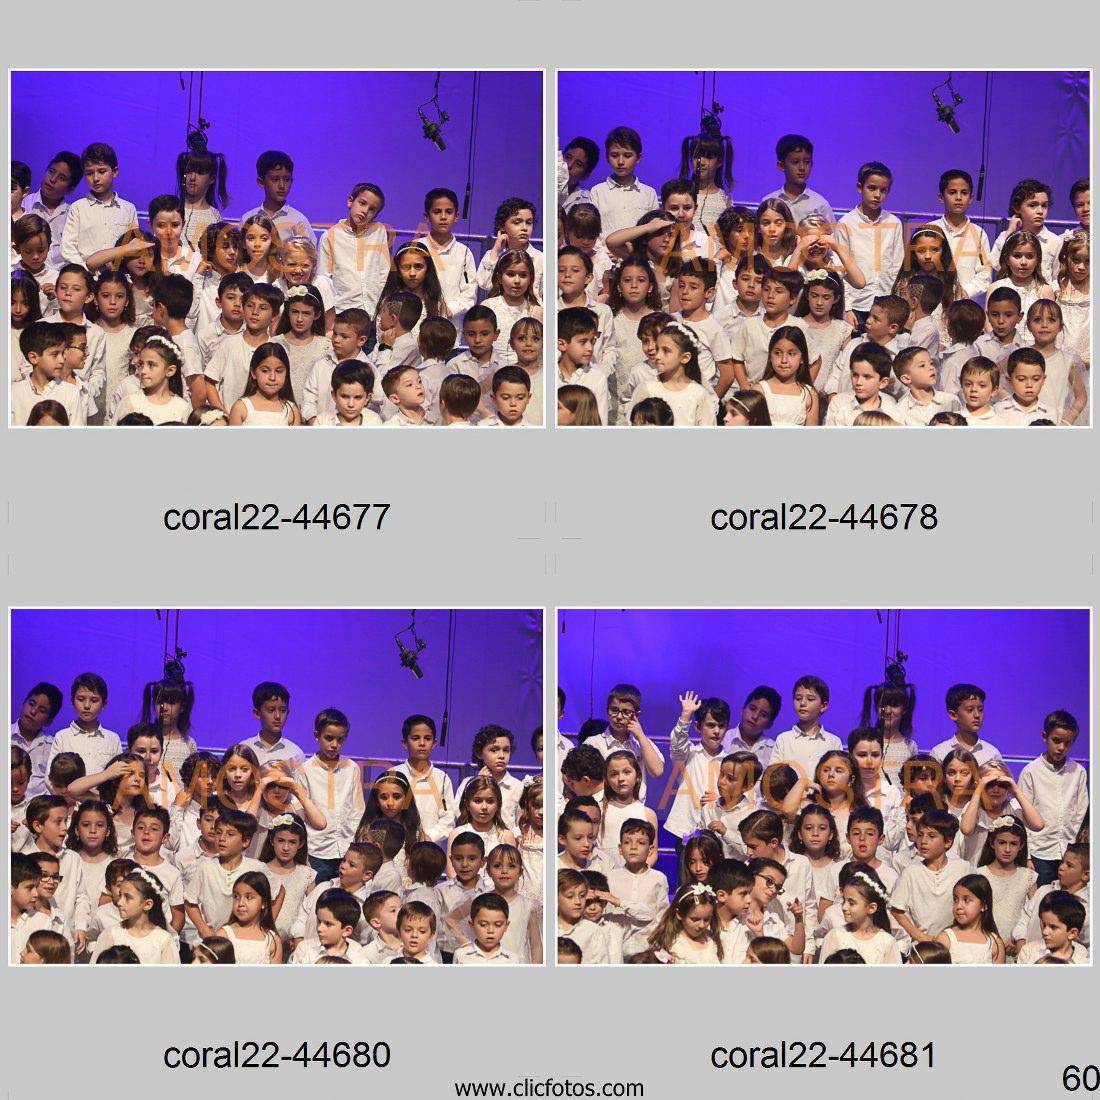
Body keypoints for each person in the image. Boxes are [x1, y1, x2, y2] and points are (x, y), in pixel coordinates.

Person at [835, 161, 904, 330]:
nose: (877, 195)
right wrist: (847, 308)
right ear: (860, 187)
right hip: (857, 304)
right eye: (872, 188)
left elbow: (897, 265)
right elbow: (842, 269)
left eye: (883, 190)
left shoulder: (894, 223)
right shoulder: (846, 224)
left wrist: (897, 301)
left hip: (886, 302)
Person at [890, 809, 971, 941]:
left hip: (956, 941)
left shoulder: (963, 869)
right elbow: (896, 910)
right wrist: (919, 936)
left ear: (948, 842)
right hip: (923, 945)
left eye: (931, 836)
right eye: (920, 835)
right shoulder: (911, 872)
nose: (923, 841)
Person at [317, 182, 391, 316]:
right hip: (343, 311)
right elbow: (324, 279)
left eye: (372, 209)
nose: (365, 211)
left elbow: (383, 272)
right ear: (350, 201)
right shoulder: (329, 237)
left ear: (375, 215)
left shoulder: (379, 231)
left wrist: (380, 305)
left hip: (373, 311)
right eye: (362, 203)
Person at [59, 143, 137, 266]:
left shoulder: (128, 209)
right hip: (85, 273)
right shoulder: (78, 208)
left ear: (115, 171)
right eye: (89, 173)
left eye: (101, 171)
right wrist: (86, 269)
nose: (95, 178)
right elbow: (68, 249)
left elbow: (132, 246)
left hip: (117, 274)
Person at [91, 868, 178, 963]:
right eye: (120, 895)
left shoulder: (163, 940)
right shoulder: (111, 935)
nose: (119, 902)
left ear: (147, 904)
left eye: (127, 897)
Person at [819, 865, 902, 964]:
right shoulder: (835, 936)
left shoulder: (886, 942)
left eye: (851, 903)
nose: (844, 907)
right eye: (844, 900)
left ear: (871, 908)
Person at [590, 127, 658, 239]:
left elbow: (652, 232)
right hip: (605, 250)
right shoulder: (597, 192)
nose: (620, 162)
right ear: (607, 157)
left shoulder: (649, 193)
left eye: (627, 156)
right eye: (614, 155)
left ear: (638, 158)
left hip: (637, 250)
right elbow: (591, 230)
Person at [240, 150, 313, 241]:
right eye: (275, 179)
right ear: (261, 182)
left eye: (287, 180)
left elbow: (309, 249)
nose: (282, 185)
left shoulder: (298, 221)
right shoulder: (247, 219)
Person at [215, 870, 282, 964]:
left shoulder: (272, 941)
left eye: (248, 897)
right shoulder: (223, 935)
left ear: (264, 903)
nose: (241, 903)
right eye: (236, 896)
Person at [936, 875, 1005, 964]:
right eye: (955, 899)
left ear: (983, 905)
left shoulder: (995, 944)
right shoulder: (945, 939)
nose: (958, 906)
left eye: (966, 900)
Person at [1017, 891, 1089, 964]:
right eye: (1044, 925)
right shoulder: (1029, 952)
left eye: (1053, 927)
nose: (1045, 932)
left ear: (1072, 933)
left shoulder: (1082, 959)